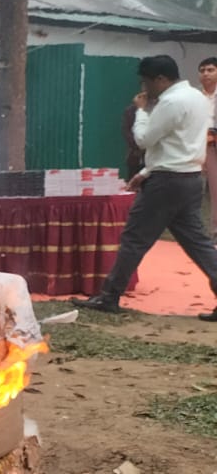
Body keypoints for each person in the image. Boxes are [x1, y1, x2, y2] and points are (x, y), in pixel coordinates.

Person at [75, 56, 217, 319]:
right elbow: (179, 144)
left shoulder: (171, 102)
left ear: (160, 79)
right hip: (189, 177)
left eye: (146, 81)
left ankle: (109, 296)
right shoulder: (197, 98)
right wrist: (145, 171)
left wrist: (141, 111)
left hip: (166, 182)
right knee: (198, 243)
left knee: (134, 239)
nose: (145, 88)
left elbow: (143, 139)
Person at [198, 56, 217, 228]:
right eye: (203, 70)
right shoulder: (194, 96)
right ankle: (206, 230)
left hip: (213, 144)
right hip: (198, 147)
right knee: (201, 191)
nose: (206, 74)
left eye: (210, 70)